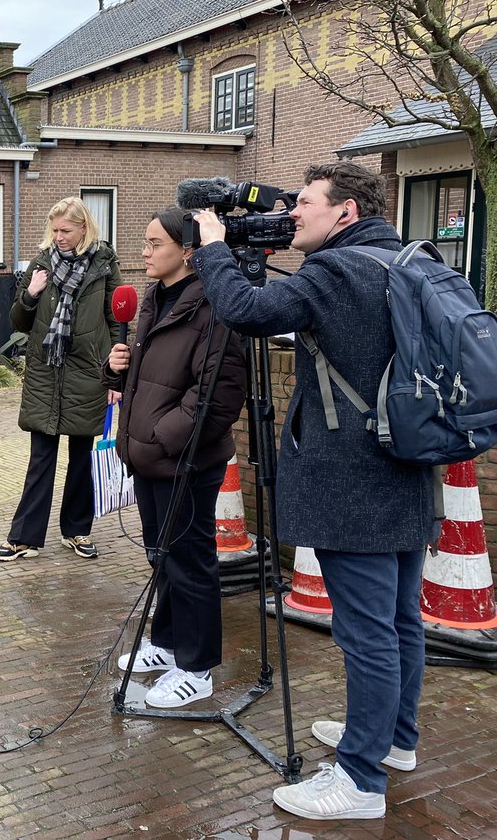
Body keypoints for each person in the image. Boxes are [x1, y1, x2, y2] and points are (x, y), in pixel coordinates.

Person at [191, 162, 437, 820]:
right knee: (400, 621)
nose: (292, 213)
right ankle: (394, 741)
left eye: (304, 203)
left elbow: (244, 311)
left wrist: (213, 244)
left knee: (367, 635)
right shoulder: (408, 259)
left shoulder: (336, 271)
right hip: (408, 467)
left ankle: (359, 781)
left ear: (346, 211)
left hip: (352, 481)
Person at [102, 207, 247, 708]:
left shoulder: (213, 306)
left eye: (154, 243)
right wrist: (115, 369)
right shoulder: (154, 300)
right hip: (149, 458)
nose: (143, 252)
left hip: (184, 461)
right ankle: (166, 643)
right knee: (161, 556)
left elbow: (219, 396)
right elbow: (149, 380)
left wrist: (162, 438)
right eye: (144, 242)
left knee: (189, 562)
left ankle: (197, 667)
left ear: (187, 251)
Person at [0, 197, 122, 562]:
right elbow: (19, 322)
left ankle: (76, 531)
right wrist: (31, 294)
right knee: (41, 460)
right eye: (55, 230)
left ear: (83, 228)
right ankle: (24, 539)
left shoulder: (105, 265)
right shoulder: (42, 263)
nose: (59, 236)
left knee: (82, 461)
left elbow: (116, 323)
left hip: (88, 374)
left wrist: (115, 378)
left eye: (65, 230)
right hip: (46, 374)